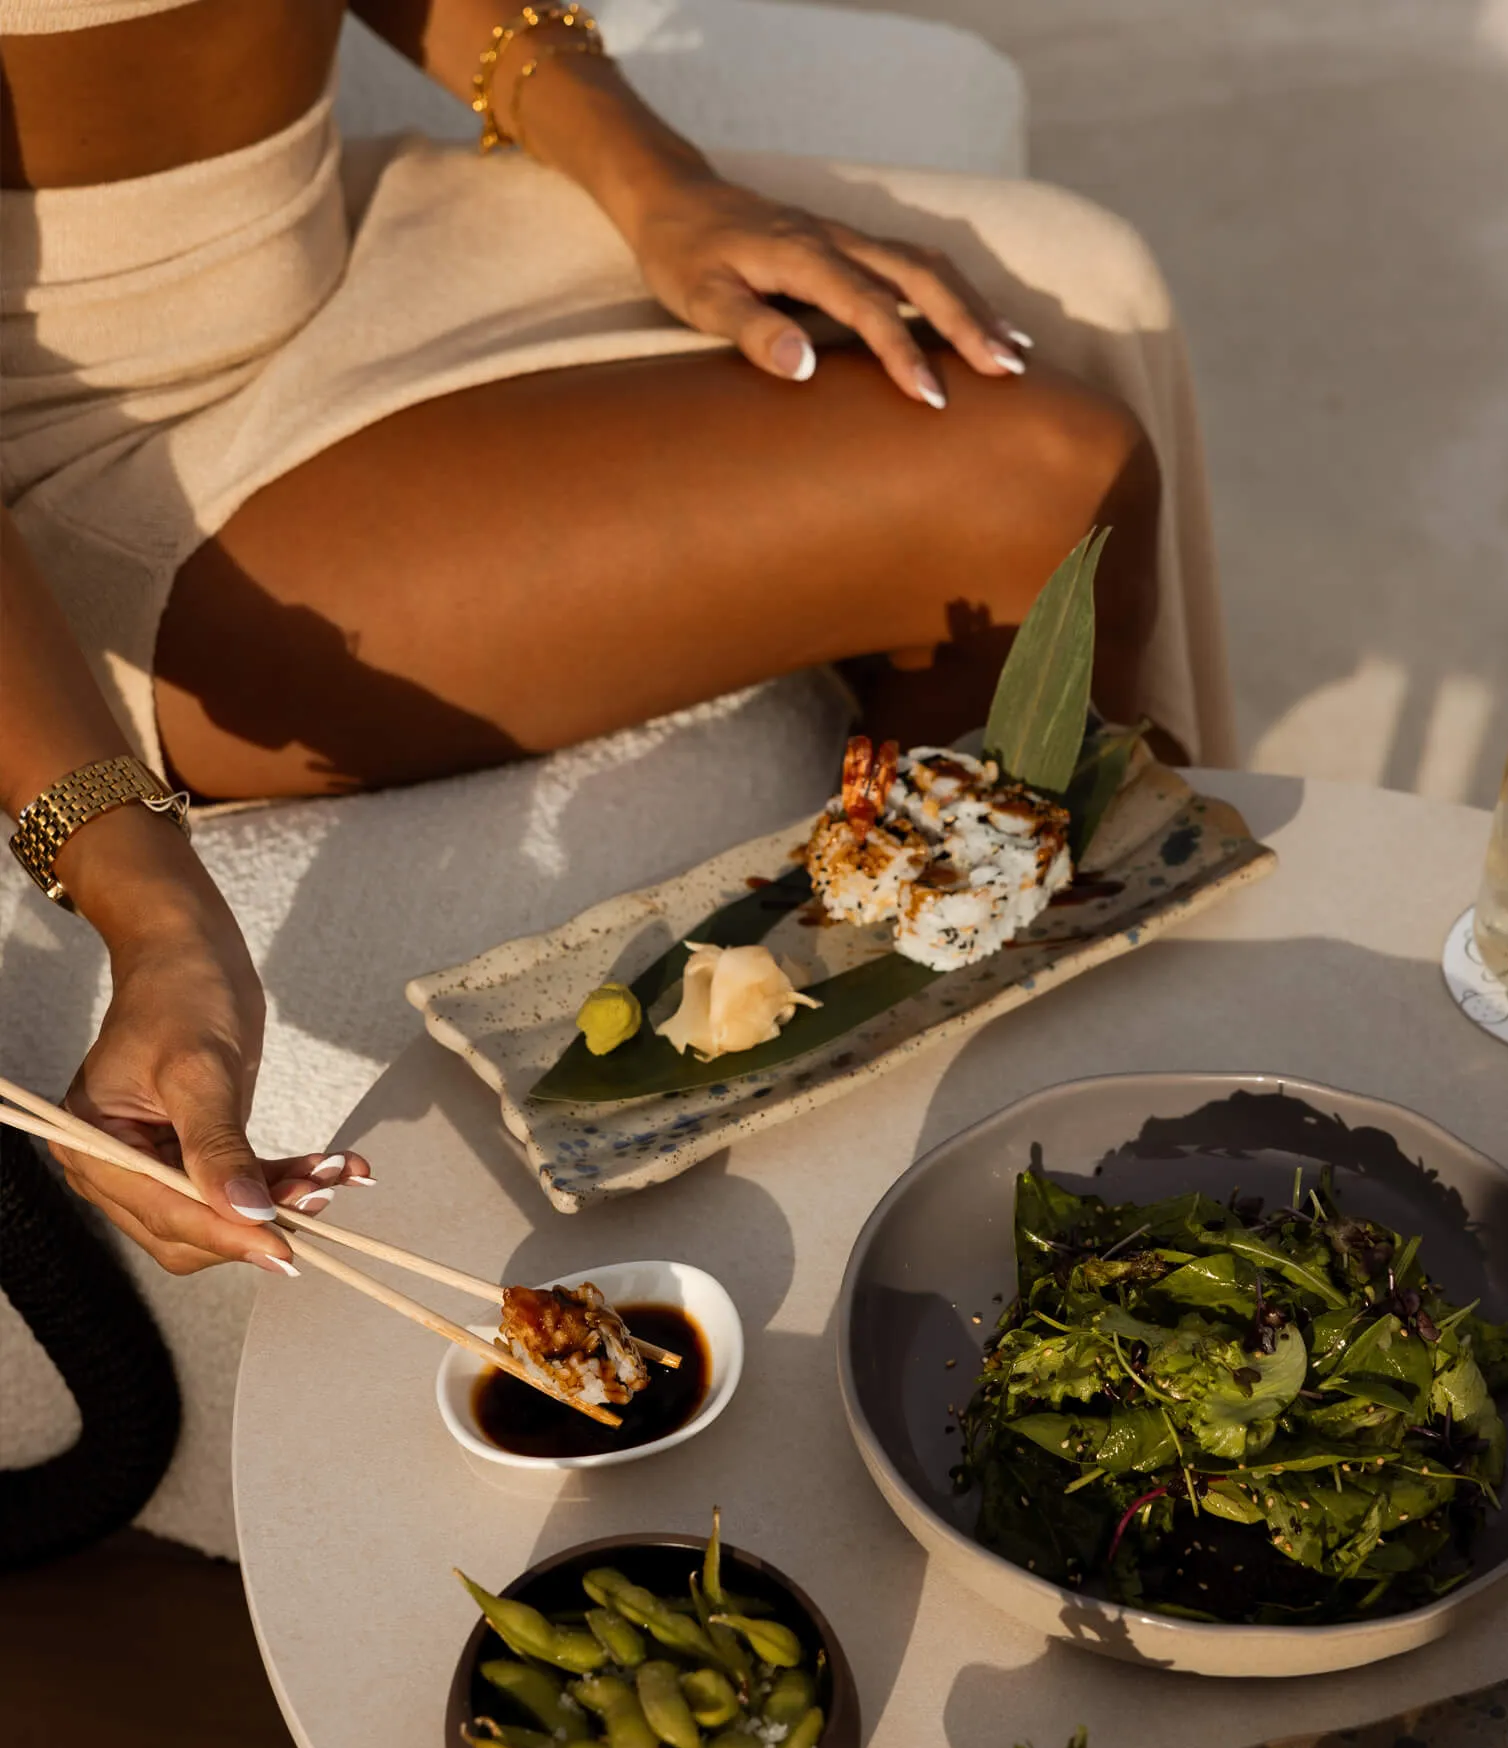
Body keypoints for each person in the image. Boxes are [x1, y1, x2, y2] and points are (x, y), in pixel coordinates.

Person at [0, 0, 1235, 1278]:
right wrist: (153, 916)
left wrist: (660, 188)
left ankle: (1014, 1023)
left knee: (1074, 280)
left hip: (338, 246)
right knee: (1040, 473)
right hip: (89, 456)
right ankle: (985, 1196)